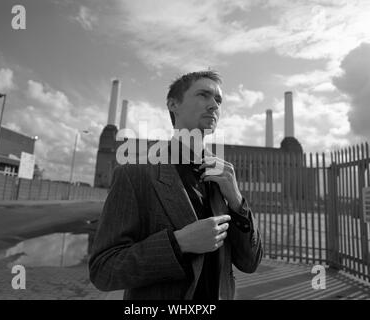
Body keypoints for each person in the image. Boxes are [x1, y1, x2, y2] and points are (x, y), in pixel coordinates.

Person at [89, 70, 263, 300]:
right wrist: (178, 244)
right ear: (173, 104)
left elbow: (251, 263)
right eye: (203, 95)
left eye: (218, 100)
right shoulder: (135, 175)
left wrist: (237, 200)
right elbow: (104, 270)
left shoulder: (225, 177)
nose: (214, 105)